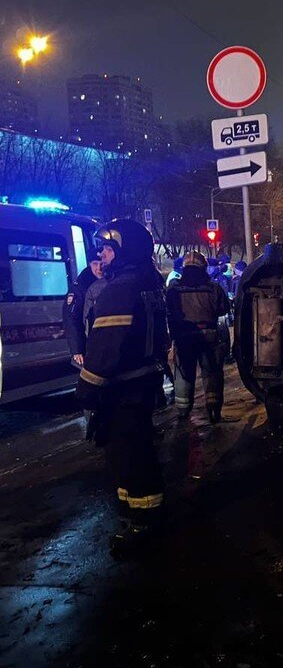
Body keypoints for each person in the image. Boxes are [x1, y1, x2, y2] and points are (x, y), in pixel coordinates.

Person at [75, 219, 170, 556]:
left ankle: (141, 523)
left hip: (122, 391)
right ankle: (145, 515)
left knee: (127, 456)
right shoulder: (150, 285)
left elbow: (104, 349)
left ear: (124, 250)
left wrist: (86, 388)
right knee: (139, 450)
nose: (102, 253)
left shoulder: (120, 289)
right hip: (143, 384)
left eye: (107, 248)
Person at [167, 251, 230, 423]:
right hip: (209, 336)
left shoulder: (174, 290)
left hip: (183, 337)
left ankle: (183, 411)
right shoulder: (214, 288)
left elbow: (169, 312)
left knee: (183, 374)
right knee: (212, 373)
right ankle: (213, 412)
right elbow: (224, 309)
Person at [63, 259, 103, 366]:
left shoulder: (107, 280)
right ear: (89, 264)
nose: (99, 268)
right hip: (87, 344)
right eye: (95, 264)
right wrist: (77, 350)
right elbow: (71, 318)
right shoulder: (80, 286)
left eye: (101, 263)